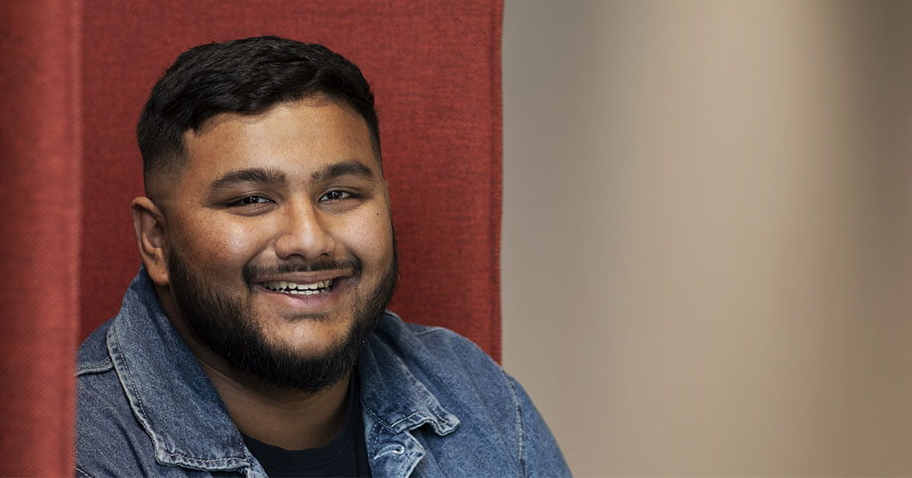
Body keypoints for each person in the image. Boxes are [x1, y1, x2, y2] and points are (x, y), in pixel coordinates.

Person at [75, 36, 570, 477]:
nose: (310, 240)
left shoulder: (478, 393)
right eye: (251, 200)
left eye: (340, 194)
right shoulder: (73, 449)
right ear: (156, 240)